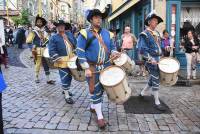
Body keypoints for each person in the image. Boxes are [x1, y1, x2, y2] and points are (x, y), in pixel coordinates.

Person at [77, 9, 120, 129]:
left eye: (100, 17)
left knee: (101, 89)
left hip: (105, 66)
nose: (98, 19)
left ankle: (93, 106)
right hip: (92, 67)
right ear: (91, 19)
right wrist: (86, 68)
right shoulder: (84, 33)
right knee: (95, 90)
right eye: (96, 17)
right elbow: (80, 52)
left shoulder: (107, 33)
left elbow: (112, 47)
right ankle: (100, 116)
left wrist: (115, 52)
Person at [137, 10, 166, 111]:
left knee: (153, 78)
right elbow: (142, 50)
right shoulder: (144, 34)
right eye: (154, 20)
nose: (156, 22)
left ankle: (142, 93)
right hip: (151, 60)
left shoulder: (157, 33)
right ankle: (157, 102)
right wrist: (150, 59)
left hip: (158, 59)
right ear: (149, 22)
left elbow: (159, 46)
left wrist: (164, 49)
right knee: (156, 79)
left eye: (157, 21)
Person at [48, 20, 76, 104]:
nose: (61, 27)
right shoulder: (53, 37)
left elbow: (76, 43)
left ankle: (65, 90)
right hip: (62, 60)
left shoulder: (69, 34)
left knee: (70, 76)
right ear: (57, 27)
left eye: (63, 26)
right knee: (64, 77)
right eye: (59, 26)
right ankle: (67, 95)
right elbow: (51, 49)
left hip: (71, 59)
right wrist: (56, 57)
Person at [26, 15, 55, 84]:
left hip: (44, 50)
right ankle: (36, 77)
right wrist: (32, 48)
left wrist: (47, 41)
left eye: (40, 22)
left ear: (42, 23)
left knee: (46, 64)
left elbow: (48, 40)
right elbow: (28, 41)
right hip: (37, 50)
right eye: (38, 22)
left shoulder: (44, 32)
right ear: (36, 23)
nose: (39, 23)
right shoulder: (33, 31)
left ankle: (48, 79)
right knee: (38, 63)